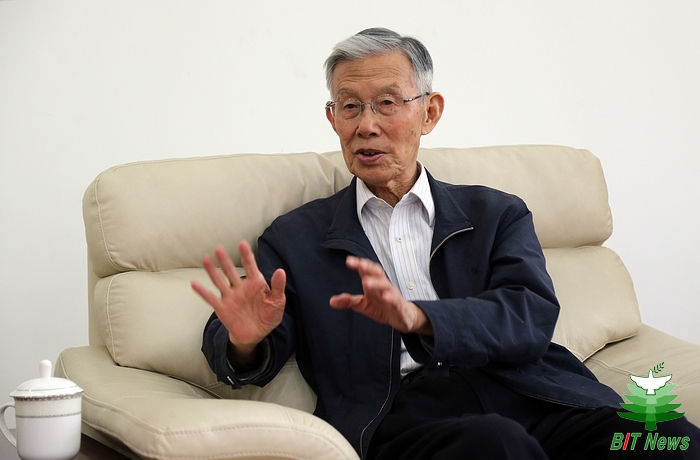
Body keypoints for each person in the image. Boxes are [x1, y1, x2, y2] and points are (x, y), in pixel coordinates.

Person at [192, 28, 699, 459]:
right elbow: (245, 339)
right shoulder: (295, 238)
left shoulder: (496, 213)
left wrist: (422, 319)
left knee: (667, 437)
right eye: (349, 106)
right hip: (403, 413)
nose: (366, 125)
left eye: (386, 103)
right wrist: (244, 339)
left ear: (429, 112)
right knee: (494, 445)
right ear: (333, 119)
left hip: (534, 391)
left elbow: (529, 316)